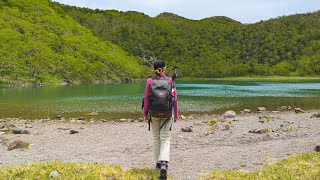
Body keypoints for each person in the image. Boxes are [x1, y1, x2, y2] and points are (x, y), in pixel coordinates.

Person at [143, 60, 179, 179]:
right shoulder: (170, 80)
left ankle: (158, 164)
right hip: (167, 113)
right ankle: (164, 163)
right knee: (165, 138)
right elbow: (174, 99)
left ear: (154, 69)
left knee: (156, 138)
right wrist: (176, 114)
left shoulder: (149, 81)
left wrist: (145, 114)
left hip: (153, 113)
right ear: (164, 68)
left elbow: (147, 99)